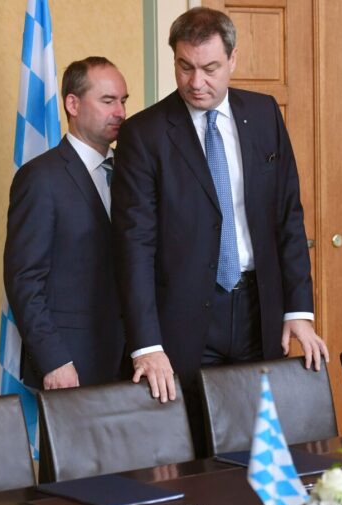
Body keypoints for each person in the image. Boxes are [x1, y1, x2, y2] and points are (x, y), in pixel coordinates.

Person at [111, 8, 329, 452]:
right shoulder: (144, 134)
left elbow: (287, 216)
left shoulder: (264, 114)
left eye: (210, 68)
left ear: (233, 59)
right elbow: (133, 245)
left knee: (261, 446)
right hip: (183, 318)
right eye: (185, 67)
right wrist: (146, 344)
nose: (196, 82)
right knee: (190, 451)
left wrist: (299, 312)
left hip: (257, 309)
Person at [4, 57, 129, 390]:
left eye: (123, 100)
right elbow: (24, 280)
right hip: (71, 363)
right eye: (107, 101)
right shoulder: (40, 178)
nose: (120, 112)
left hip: (131, 360)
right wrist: (54, 359)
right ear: (72, 104)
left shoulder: (132, 172)